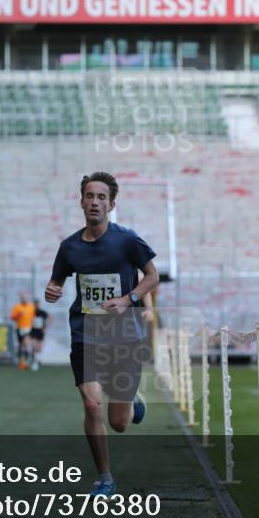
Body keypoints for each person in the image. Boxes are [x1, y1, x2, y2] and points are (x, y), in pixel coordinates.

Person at [45, 171, 159, 496]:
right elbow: (56, 281)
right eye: (89, 196)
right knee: (92, 406)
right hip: (86, 334)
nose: (95, 202)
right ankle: (105, 478)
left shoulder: (127, 240)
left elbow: (152, 276)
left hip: (124, 337)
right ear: (81, 202)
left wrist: (128, 299)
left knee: (119, 423)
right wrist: (52, 290)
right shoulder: (69, 247)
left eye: (101, 197)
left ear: (111, 205)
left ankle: (132, 400)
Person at [9, 293, 35, 370]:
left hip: (28, 329)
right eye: (23, 298)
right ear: (21, 299)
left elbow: (34, 317)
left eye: (25, 298)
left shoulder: (31, 307)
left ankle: (29, 360)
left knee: (26, 343)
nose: (24, 299)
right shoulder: (17, 307)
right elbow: (12, 317)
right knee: (21, 346)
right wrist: (19, 315)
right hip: (19, 328)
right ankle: (22, 362)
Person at [29, 299, 49, 371]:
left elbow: (49, 319)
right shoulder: (31, 312)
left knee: (39, 348)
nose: (36, 305)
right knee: (33, 346)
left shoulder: (43, 312)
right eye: (35, 304)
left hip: (40, 332)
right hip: (33, 332)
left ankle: (36, 359)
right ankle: (34, 361)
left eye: (38, 304)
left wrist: (46, 327)